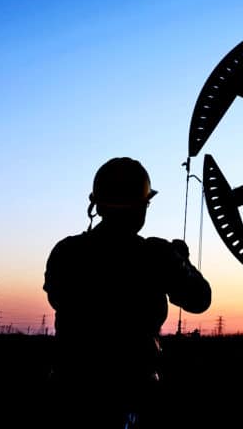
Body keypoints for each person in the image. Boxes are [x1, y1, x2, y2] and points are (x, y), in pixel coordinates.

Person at [43, 156, 211, 428]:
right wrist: (181, 260)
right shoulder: (156, 254)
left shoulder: (66, 252)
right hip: (134, 395)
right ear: (142, 207)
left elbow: (57, 297)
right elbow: (200, 299)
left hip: (70, 395)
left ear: (96, 205)